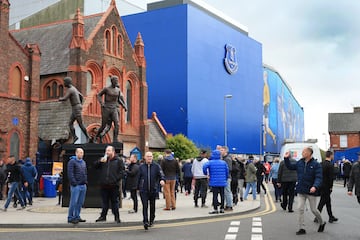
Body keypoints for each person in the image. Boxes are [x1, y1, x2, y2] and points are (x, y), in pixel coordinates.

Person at [284, 148, 326, 235]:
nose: (302, 153)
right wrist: (286, 158)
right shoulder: (299, 162)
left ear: (310, 153)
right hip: (301, 190)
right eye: (302, 151)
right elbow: (290, 167)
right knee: (300, 208)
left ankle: (322, 222)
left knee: (314, 210)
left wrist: (315, 186)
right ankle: (302, 228)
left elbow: (319, 177)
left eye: (304, 152)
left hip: (311, 191)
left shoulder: (316, 164)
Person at [95, 145, 124, 223]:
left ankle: (117, 217)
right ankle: (103, 216)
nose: (107, 152)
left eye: (108, 151)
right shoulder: (104, 160)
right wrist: (99, 162)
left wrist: (115, 180)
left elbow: (122, 172)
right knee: (105, 202)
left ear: (113, 152)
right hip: (104, 185)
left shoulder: (118, 160)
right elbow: (95, 166)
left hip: (113, 185)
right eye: (106, 151)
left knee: (115, 202)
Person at [93, 76, 127, 143]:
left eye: (117, 81)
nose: (116, 82)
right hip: (106, 108)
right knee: (103, 125)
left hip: (114, 108)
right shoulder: (106, 89)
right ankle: (96, 136)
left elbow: (118, 99)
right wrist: (102, 103)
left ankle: (115, 139)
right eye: (115, 81)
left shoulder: (118, 90)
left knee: (117, 124)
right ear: (112, 81)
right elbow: (99, 95)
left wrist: (124, 106)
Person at [138, 151, 165, 230]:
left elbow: (161, 175)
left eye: (150, 156)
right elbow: (138, 178)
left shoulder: (156, 166)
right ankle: (145, 221)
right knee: (145, 206)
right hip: (144, 190)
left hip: (153, 190)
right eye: (148, 156)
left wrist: (162, 180)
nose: (149, 158)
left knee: (152, 206)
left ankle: (151, 220)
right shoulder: (141, 167)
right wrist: (137, 187)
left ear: (152, 157)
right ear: (145, 157)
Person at [59, 76, 90, 143]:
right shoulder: (74, 88)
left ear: (67, 82)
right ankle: (75, 137)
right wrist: (80, 104)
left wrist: (60, 98)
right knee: (70, 123)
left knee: (80, 124)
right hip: (76, 107)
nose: (63, 83)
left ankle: (88, 137)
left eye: (64, 82)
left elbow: (65, 98)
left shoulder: (70, 90)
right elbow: (81, 96)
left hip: (76, 108)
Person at [203, 150, 228, 214]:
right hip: (222, 181)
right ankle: (222, 208)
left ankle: (215, 209)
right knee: (222, 195)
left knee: (215, 195)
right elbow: (227, 171)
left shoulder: (210, 162)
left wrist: (205, 173)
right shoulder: (223, 162)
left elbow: (204, 166)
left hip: (214, 181)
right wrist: (225, 178)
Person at [316, 151, 338, 223]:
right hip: (327, 186)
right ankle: (317, 217)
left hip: (321, 185)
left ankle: (331, 216)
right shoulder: (330, 165)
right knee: (322, 201)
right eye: (333, 155)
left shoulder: (321, 164)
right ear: (331, 155)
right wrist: (331, 186)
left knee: (328, 201)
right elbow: (330, 177)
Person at [67, 148, 87, 224]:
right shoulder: (72, 161)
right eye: (80, 152)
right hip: (76, 186)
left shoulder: (83, 162)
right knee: (73, 202)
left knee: (80, 203)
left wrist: (85, 181)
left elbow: (85, 172)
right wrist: (74, 182)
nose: (81, 154)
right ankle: (70, 217)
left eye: (82, 153)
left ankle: (77, 216)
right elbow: (70, 173)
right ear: (76, 153)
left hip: (83, 185)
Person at [220, 146, 233, 211]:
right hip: (225, 177)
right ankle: (227, 204)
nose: (220, 151)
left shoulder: (227, 159)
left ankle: (229, 205)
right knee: (225, 192)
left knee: (227, 191)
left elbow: (229, 169)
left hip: (226, 177)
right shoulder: (224, 158)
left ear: (226, 151)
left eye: (222, 150)